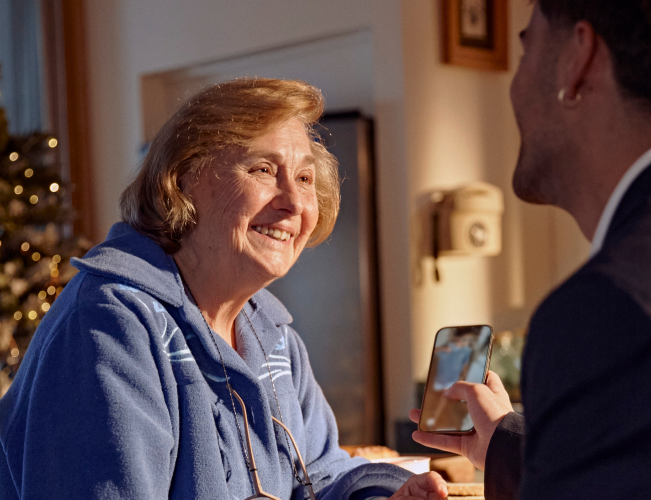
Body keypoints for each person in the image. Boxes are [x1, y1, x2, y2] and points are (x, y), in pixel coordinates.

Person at [0, 79, 448, 500]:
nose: (293, 201)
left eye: (306, 179)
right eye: (263, 169)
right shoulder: (109, 325)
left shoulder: (272, 333)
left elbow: (317, 476)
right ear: (182, 182)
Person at [411, 0, 651, 499]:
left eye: (524, 51)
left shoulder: (611, 306)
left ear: (577, 59)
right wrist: (502, 442)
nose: (514, 87)